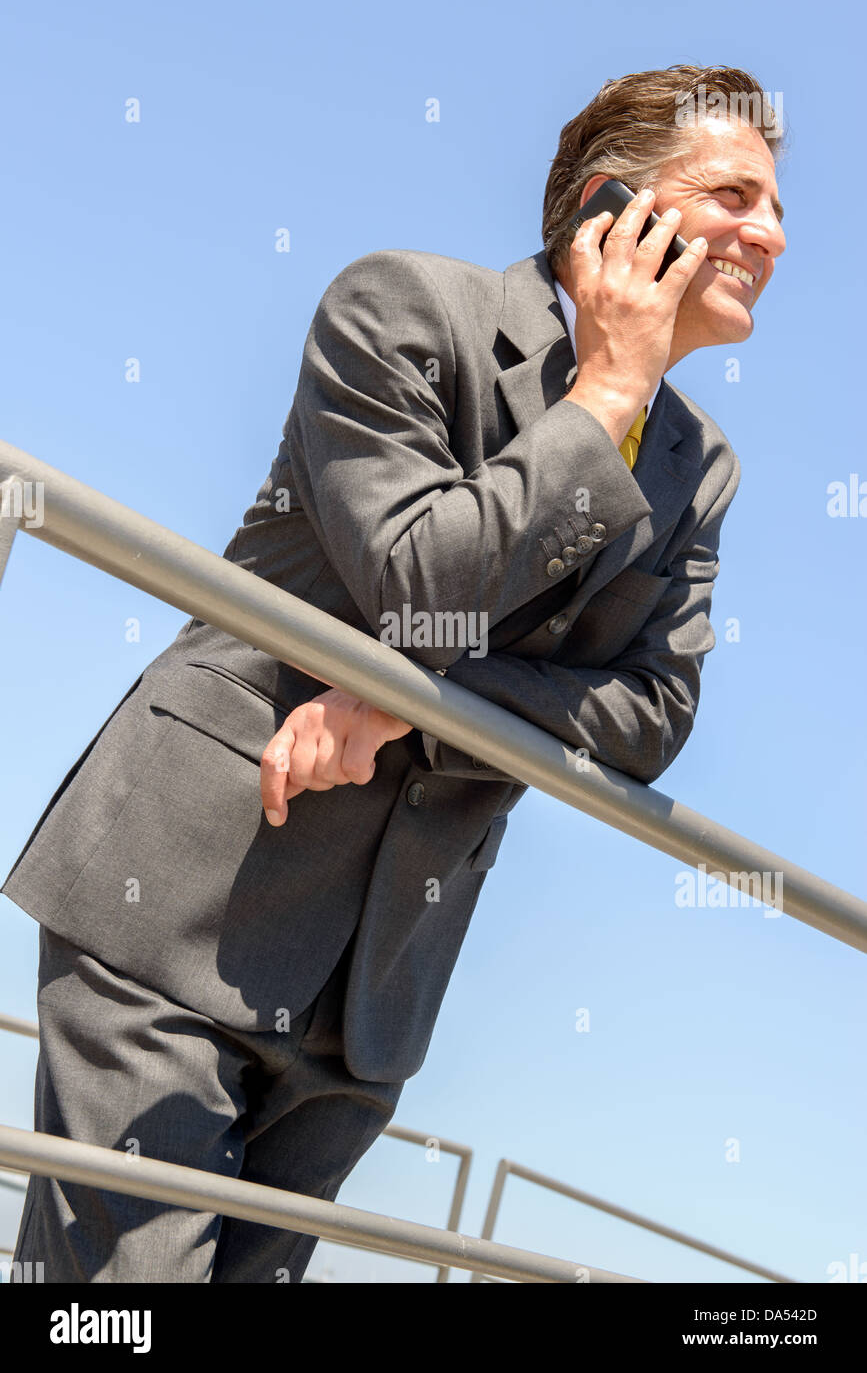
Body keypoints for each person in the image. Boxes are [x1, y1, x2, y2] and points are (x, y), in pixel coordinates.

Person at [2, 63, 785, 1282]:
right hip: (188, 891)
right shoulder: (399, 308)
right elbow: (421, 582)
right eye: (735, 195)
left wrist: (397, 711)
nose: (772, 234)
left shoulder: (702, 470)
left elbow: (650, 717)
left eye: (778, 206)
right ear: (610, 207)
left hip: (372, 988)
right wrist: (609, 391)